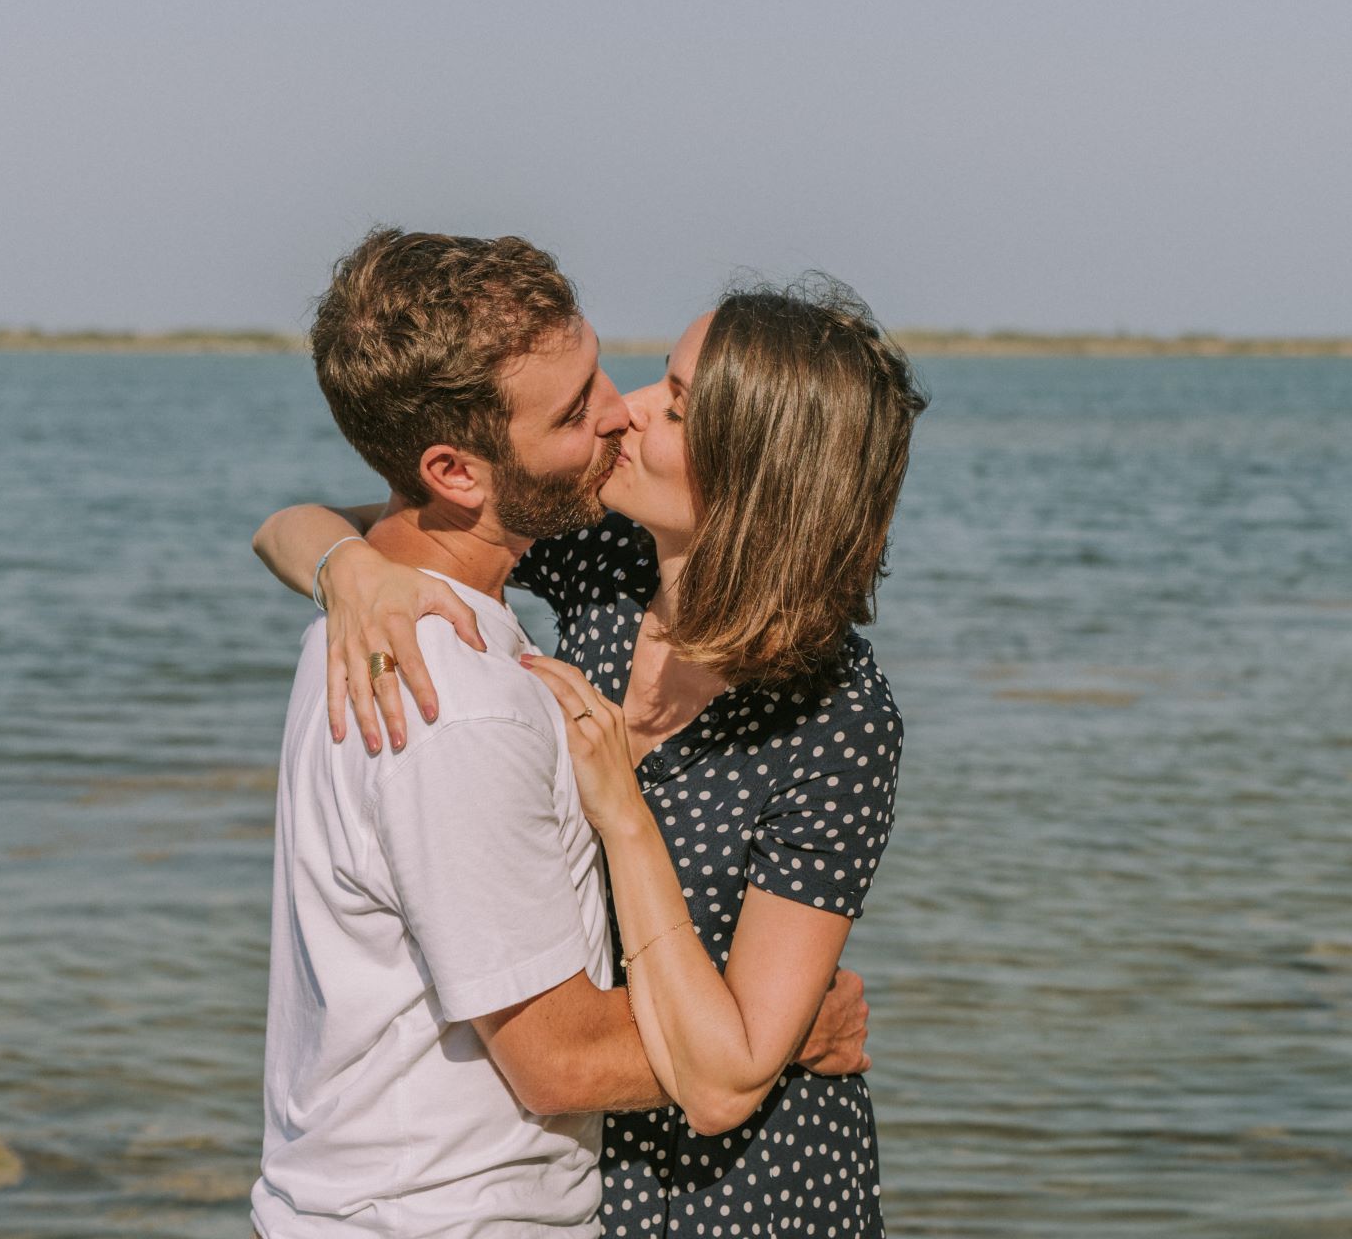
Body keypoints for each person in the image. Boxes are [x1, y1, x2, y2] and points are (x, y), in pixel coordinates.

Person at [255, 276, 926, 1236]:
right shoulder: (607, 563)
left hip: (751, 1188)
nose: (627, 410)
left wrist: (625, 817)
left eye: (676, 407)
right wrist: (349, 571)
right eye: (659, 379)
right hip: (592, 1168)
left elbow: (732, 1068)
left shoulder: (838, 717)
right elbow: (300, 524)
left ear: (757, 477)